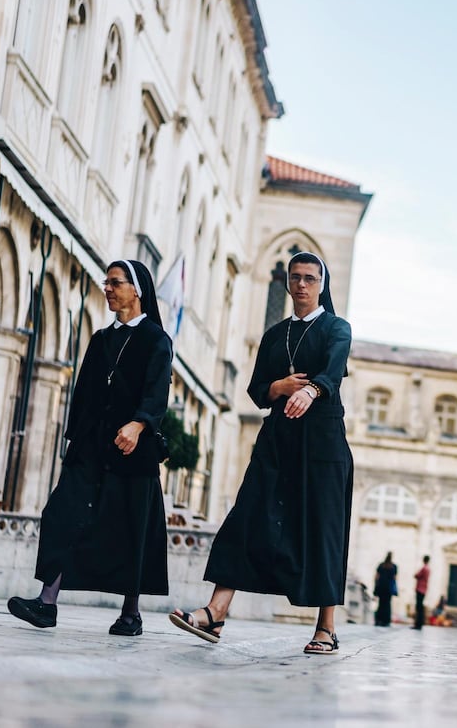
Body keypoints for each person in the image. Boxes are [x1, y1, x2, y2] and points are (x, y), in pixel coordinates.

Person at [168, 252, 353, 654]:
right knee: (247, 517)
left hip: (321, 445)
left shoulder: (337, 328)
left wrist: (309, 390)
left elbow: (333, 371)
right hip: (277, 441)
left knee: (324, 528)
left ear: (321, 284)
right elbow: (255, 391)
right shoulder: (274, 335)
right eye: (295, 278)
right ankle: (216, 612)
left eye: (309, 278)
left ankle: (326, 626)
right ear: (287, 283)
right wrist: (280, 387)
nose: (302, 285)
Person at [7, 260, 172, 636]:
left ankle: (131, 613)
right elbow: (83, 394)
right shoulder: (100, 340)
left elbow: (157, 390)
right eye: (107, 282)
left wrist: (139, 423)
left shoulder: (156, 340)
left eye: (115, 283)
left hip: (133, 451)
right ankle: (47, 603)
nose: (108, 289)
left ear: (137, 290)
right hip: (91, 449)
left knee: (130, 528)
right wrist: (76, 442)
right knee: (62, 516)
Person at [373, 551, 398, 626]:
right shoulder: (394, 566)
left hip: (381, 586)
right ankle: (386, 621)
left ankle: (378, 620)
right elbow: (394, 578)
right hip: (388, 588)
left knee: (380, 604)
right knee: (387, 604)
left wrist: (376, 586)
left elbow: (377, 576)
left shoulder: (381, 565)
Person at [412, 555, 430, 629]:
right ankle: (420, 623)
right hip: (424, 589)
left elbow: (416, 575)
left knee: (418, 607)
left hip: (420, 589)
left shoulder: (423, 568)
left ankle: (418, 624)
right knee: (421, 607)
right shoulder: (428, 569)